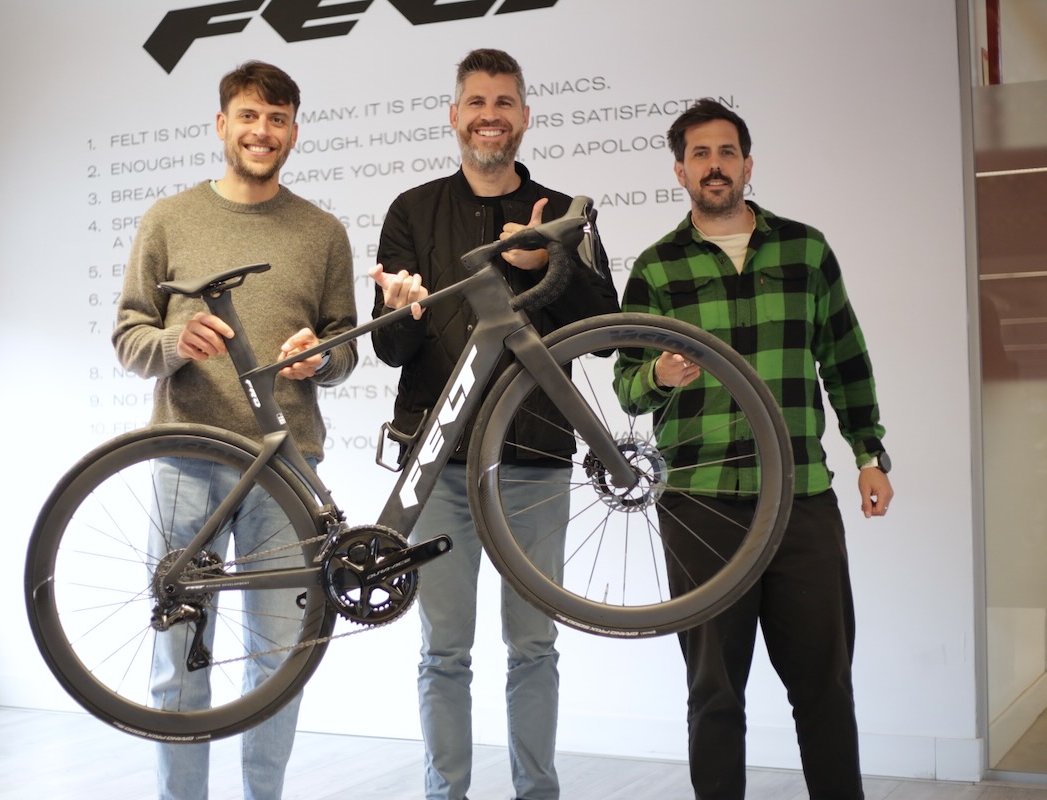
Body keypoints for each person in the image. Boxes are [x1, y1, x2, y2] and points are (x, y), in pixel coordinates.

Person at [613, 98, 894, 799]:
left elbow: (845, 359)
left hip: (800, 498)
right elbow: (626, 386)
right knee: (713, 691)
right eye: (700, 155)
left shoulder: (806, 250)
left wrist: (868, 455)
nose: (715, 165)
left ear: (747, 164)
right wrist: (658, 375)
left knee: (825, 684)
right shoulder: (657, 268)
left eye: (727, 152)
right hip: (699, 505)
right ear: (680, 171)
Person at [368, 48, 619, 800]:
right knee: (443, 652)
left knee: (534, 646)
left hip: (535, 463)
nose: (490, 115)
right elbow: (389, 350)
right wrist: (404, 311)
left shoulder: (566, 212)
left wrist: (550, 264)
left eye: (504, 102)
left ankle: (537, 792)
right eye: (476, 102)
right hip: (438, 466)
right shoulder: (411, 211)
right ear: (455, 116)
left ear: (524, 117)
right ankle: (445, 794)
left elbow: (606, 331)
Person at [112, 61, 357, 800]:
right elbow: (129, 337)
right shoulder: (168, 218)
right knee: (177, 657)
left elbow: (345, 347)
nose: (262, 131)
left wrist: (320, 357)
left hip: (288, 469)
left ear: (294, 131)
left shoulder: (323, 232)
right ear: (223, 124)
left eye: (277, 119)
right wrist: (173, 343)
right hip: (186, 457)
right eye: (249, 115)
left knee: (278, 660)